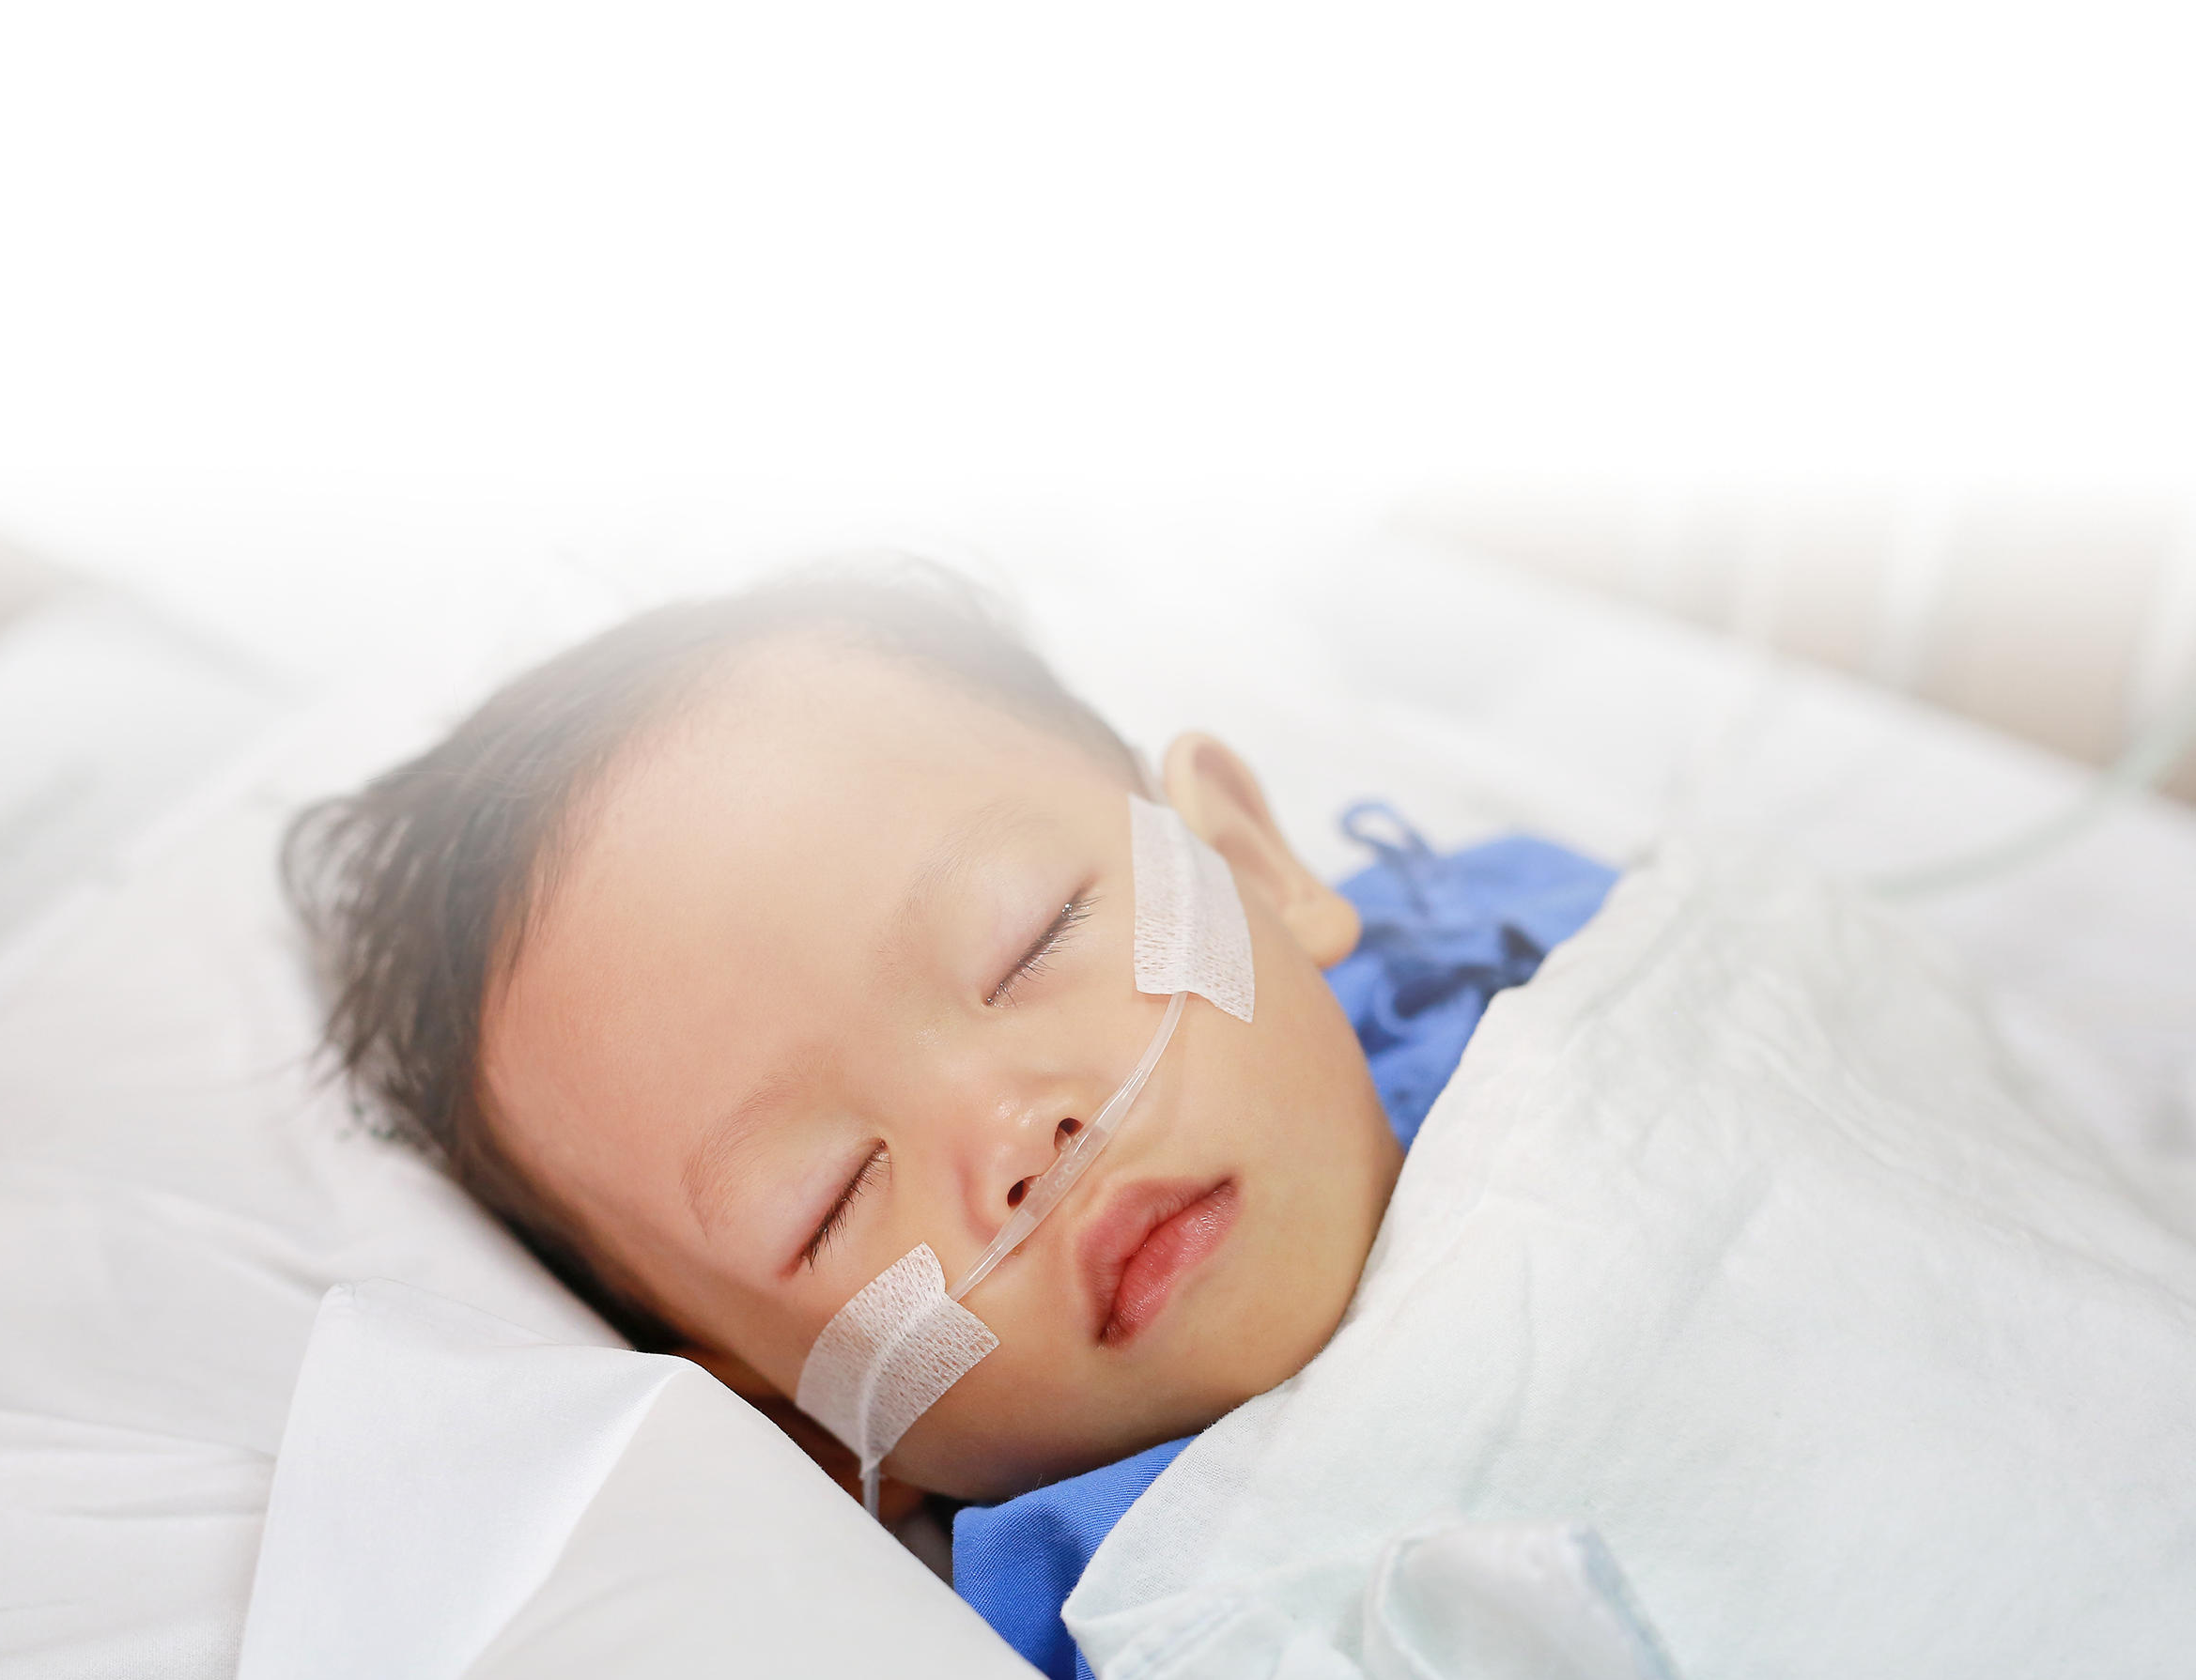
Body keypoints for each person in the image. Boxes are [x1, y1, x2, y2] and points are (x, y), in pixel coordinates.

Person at [285, 556, 1608, 1566]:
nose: (1019, 1137)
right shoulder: (1158, 1655)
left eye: (1031, 943)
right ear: (807, 1421)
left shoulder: (1543, 946)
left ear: (1253, 868)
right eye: (833, 1195)